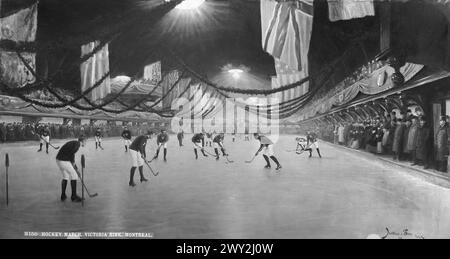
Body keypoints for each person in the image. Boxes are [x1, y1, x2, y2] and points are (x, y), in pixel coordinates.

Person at [56, 136, 86, 202]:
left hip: (59, 160)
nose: (85, 143)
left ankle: (63, 196)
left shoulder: (74, 143)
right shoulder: (77, 145)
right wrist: (76, 169)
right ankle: (74, 197)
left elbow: (71, 155)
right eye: (85, 142)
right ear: (83, 141)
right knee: (74, 176)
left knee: (66, 176)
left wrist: (75, 167)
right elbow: (71, 155)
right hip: (63, 160)